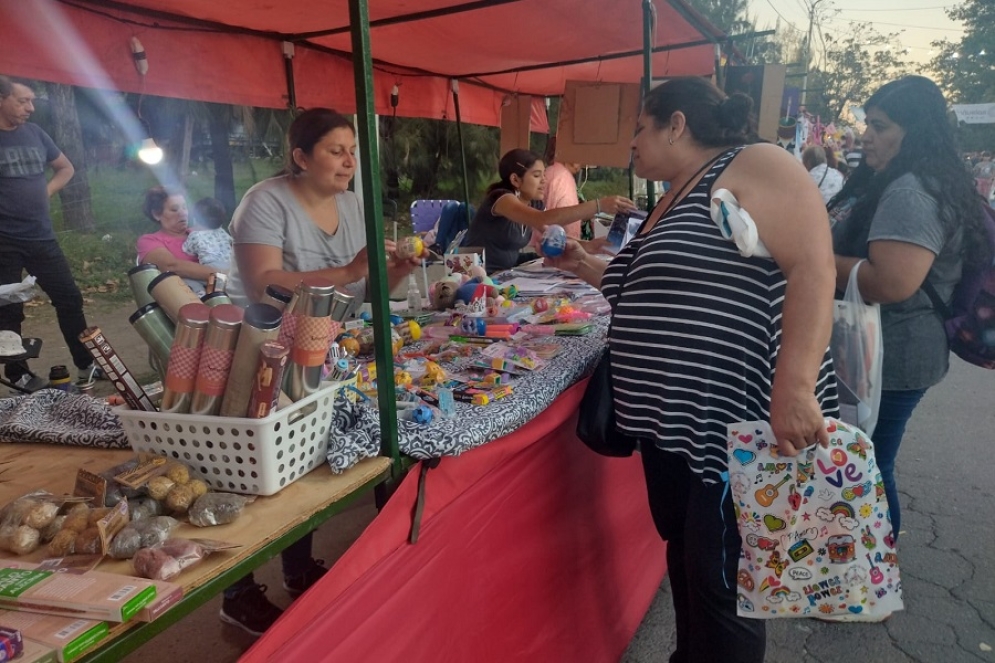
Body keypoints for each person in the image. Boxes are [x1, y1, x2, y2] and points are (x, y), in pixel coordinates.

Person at [546, 77, 839, 661]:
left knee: (722, 581)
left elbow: (813, 268)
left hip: (734, 423)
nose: (631, 145)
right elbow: (645, 288)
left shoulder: (756, 164)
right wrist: (584, 266)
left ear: (676, 124)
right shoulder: (672, 196)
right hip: (673, 428)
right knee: (686, 559)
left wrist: (796, 386)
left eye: (638, 130)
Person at [221, 107, 421, 636]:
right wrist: (351, 269)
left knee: (317, 461)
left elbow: (373, 293)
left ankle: (302, 568)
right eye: (336, 150)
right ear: (301, 157)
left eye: (353, 150)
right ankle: (236, 591)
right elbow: (265, 286)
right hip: (270, 353)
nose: (349, 161)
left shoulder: (354, 204)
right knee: (275, 468)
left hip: (340, 347)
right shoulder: (264, 203)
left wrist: (391, 274)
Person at [829, 75, 989, 542]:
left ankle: (874, 578)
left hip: (888, 356)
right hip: (881, 350)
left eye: (879, 126)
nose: (866, 135)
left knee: (869, 463)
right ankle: (857, 570)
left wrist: (811, 257)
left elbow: (892, 282)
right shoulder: (894, 179)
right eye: (867, 123)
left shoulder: (911, 191)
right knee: (865, 460)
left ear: (914, 131)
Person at [0, 75, 98, 390]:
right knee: (9, 309)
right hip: (3, 241)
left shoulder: (36, 134)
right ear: (2, 100)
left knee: (69, 298)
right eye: (22, 100)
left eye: (31, 100)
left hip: (42, 237)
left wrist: (46, 192)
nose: (30, 107)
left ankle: (86, 365)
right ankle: (18, 373)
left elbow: (65, 167)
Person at [463, 148, 635, 272]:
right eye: (537, 175)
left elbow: (550, 232)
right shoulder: (502, 198)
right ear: (515, 180)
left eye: (544, 175)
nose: (544, 181)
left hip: (506, 275)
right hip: (475, 276)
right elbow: (544, 220)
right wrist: (599, 205)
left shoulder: (534, 204)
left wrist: (588, 246)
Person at [137, 187, 216, 295]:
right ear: (157, 214)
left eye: (185, 207)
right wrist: (220, 274)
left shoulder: (199, 233)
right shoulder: (149, 241)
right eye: (174, 209)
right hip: (183, 298)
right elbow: (171, 266)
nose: (183, 213)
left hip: (219, 290)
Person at [184, 197, 233, 271]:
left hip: (212, 267)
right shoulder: (222, 232)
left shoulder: (195, 235)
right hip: (230, 265)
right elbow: (231, 243)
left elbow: (188, 251)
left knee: (187, 279)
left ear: (196, 220)